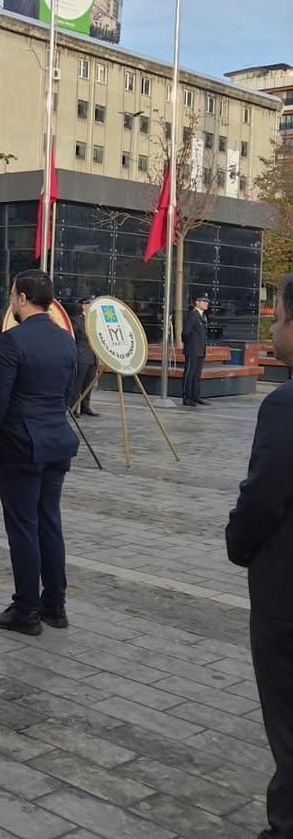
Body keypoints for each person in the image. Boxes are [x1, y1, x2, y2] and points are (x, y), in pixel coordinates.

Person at [226, 272, 293, 839]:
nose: (274, 326)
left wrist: (238, 545)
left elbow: (264, 495)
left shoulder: (285, 405)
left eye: (280, 315)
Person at [0, 269, 79, 635]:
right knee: (49, 521)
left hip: (22, 443)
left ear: (22, 298)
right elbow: (69, 393)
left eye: (12, 294)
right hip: (57, 440)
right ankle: (54, 604)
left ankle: (25, 610)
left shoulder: (11, 341)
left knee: (23, 527)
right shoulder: (66, 340)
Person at [71, 297, 98, 417]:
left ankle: (85, 407)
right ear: (84, 306)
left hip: (93, 356)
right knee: (78, 384)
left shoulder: (96, 320)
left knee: (89, 383)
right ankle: (74, 407)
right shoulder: (76, 321)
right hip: (81, 356)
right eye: (89, 304)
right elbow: (73, 338)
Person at [181, 294, 210, 407]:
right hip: (192, 349)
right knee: (189, 373)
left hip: (201, 349)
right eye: (203, 301)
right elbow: (185, 333)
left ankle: (196, 396)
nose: (206, 303)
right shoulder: (192, 315)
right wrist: (190, 344)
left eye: (207, 301)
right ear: (197, 302)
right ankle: (186, 397)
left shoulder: (203, 316)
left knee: (197, 374)